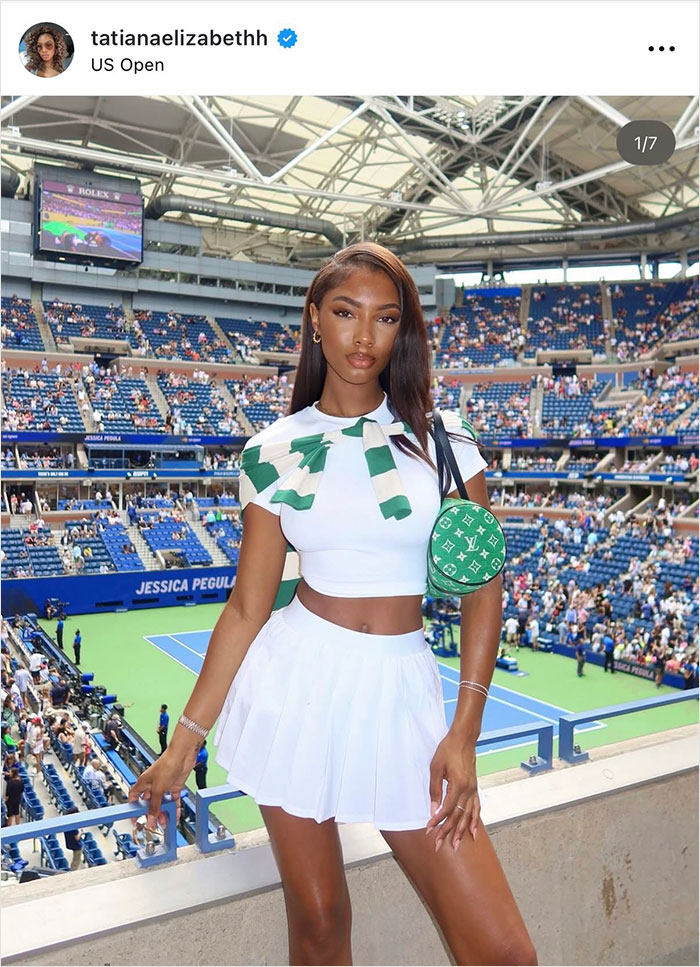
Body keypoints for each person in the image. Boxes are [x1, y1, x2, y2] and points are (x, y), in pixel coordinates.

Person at [129, 243, 535, 966]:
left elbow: (484, 588)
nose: (362, 336)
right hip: (297, 687)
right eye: (345, 313)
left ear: (402, 331)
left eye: (384, 318)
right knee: (319, 924)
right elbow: (248, 608)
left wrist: (464, 730)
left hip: (404, 695)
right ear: (315, 320)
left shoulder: (448, 445)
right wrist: (180, 745)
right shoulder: (274, 450)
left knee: (504, 951)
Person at [63, 806, 84, 870]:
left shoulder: (66, 822)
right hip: (76, 845)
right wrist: (81, 832)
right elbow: (77, 838)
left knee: (76, 859)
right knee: (76, 861)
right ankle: (73, 872)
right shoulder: (73, 827)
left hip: (70, 843)